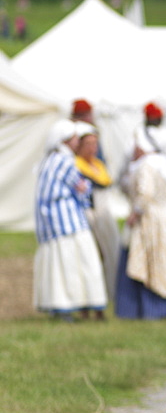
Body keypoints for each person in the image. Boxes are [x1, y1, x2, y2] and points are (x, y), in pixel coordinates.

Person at [116, 128, 166, 319]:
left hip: (150, 219)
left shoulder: (145, 166)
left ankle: (150, 308)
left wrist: (136, 213)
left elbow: (145, 193)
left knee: (148, 261)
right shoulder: (163, 164)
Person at [34, 120, 107, 322]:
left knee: (57, 266)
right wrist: (85, 192)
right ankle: (76, 304)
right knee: (81, 264)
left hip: (51, 225)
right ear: (66, 140)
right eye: (75, 138)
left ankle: (58, 306)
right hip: (69, 223)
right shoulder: (65, 162)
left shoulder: (47, 161)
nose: (77, 142)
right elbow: (81, 188)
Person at [74, 123, 120, 294]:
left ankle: (110, 290)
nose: (93, 148)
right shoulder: (76, 165)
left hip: (104, 211)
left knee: (111, 251)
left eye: (95, 144)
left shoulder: (98, 165)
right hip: (89, 214)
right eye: (88, 144)